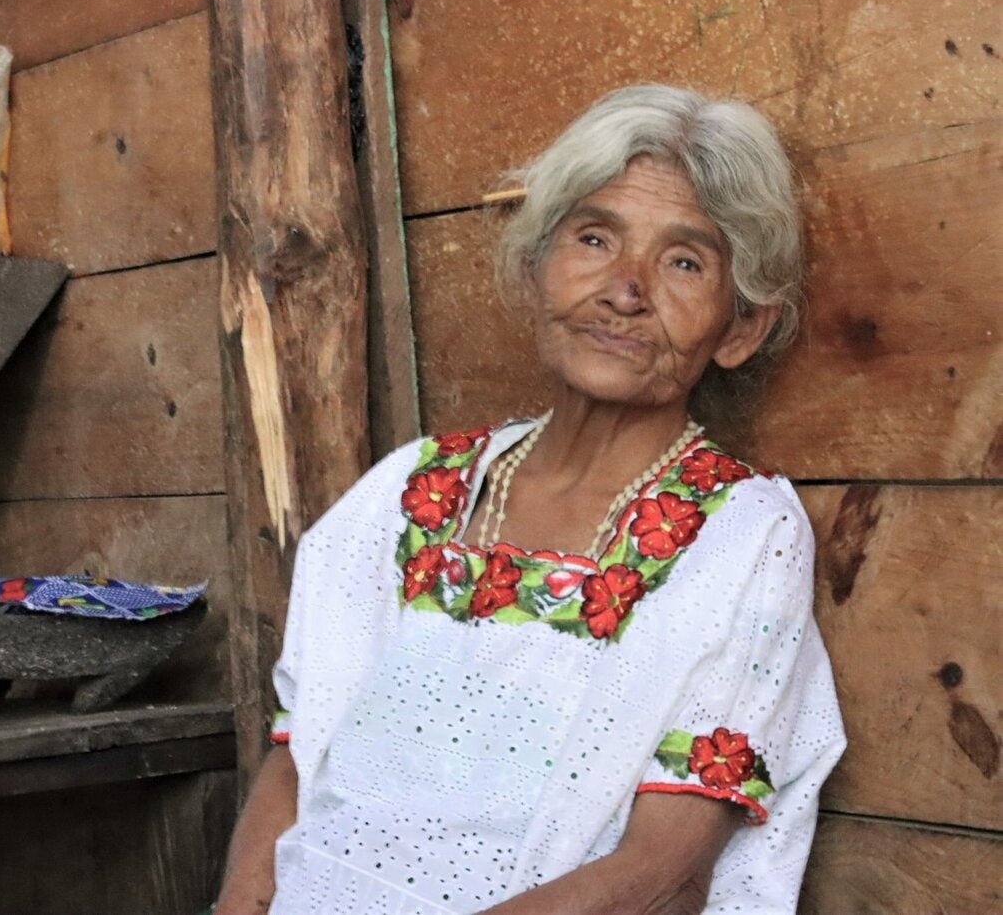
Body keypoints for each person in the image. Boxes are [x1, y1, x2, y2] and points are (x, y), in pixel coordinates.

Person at [213, 84, 846, 915]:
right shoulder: (415, 488)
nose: (627, 288)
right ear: (535, 263)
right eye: (594, 237)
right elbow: (299, 751)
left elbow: (661, 875)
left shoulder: (741, 534)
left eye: (683, 261)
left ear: (738, 329)